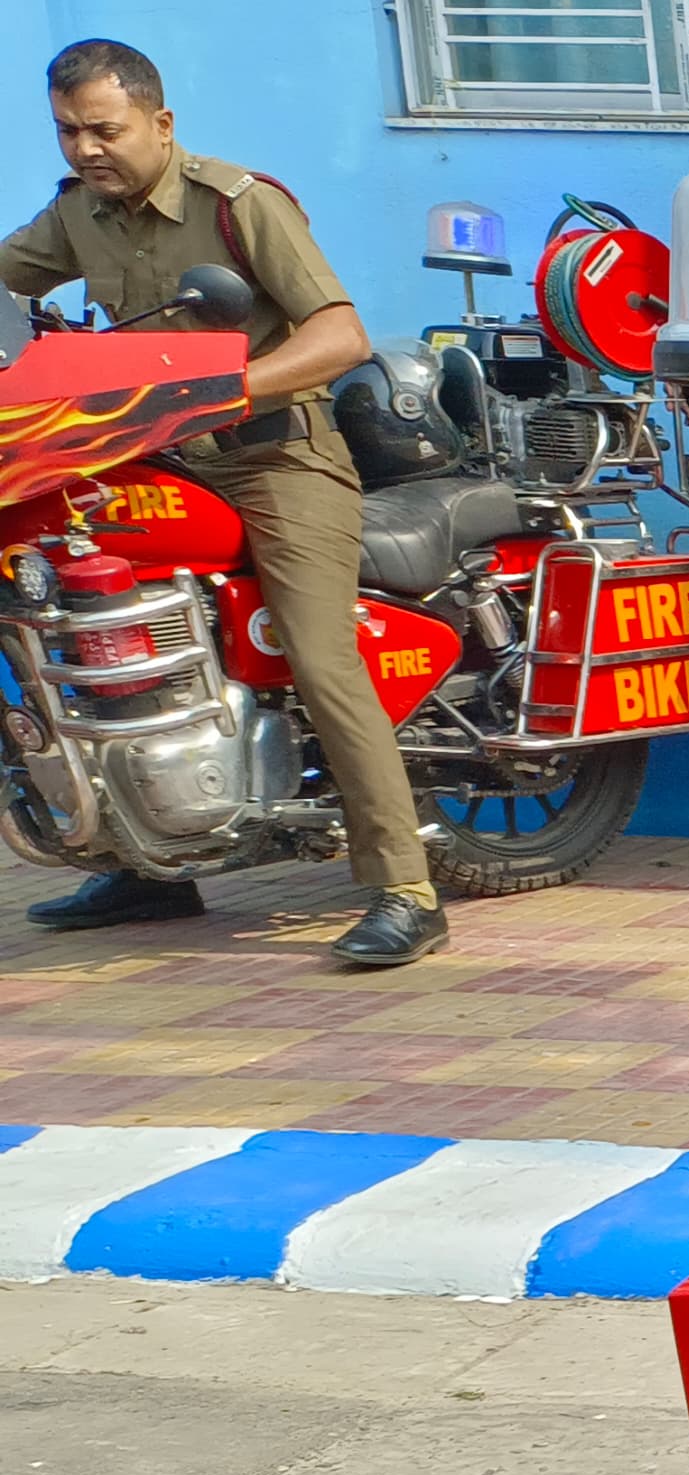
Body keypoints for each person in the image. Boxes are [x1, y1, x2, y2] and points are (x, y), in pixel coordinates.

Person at [0, 40, 443, 963]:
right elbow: (6, 281)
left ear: (160, 124)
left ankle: (406, 886)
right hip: (155, 461)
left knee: (322, 659)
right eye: (68, 130)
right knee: (98, 616)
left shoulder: (241, 205)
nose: (86, 148)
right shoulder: (77, 213)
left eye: (105, 130)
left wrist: (227, 390)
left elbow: (340, 334)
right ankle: (151, 862)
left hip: (277, 459)